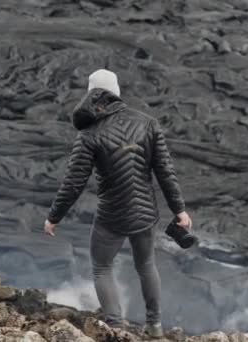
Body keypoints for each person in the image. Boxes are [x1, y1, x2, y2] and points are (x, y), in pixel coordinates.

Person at [43, 69, 192, 338]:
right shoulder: (148, 123)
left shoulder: (88, 134)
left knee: (102, 267)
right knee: (146, 265)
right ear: (117, 91)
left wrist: (54, 217)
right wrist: (179, 210)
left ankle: (116, 328)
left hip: (111, 215)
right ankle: (155, 327)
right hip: (146, 213)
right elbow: (164, 171)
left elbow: (73, 184)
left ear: (91, 95)